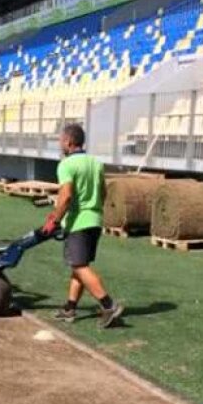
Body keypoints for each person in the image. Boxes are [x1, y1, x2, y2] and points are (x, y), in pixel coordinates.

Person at [42, 123, 123, 328]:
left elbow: (66, 195)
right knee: (78, 266)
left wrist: (55, 219)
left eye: (61, 140)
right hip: (95, 220)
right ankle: (70, 308)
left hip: (78, 222)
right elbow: (103, 193)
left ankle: (109, 304)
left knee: (79, 265)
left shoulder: (66, 165)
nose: (60, 144)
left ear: (69, 142)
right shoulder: (96, 163)